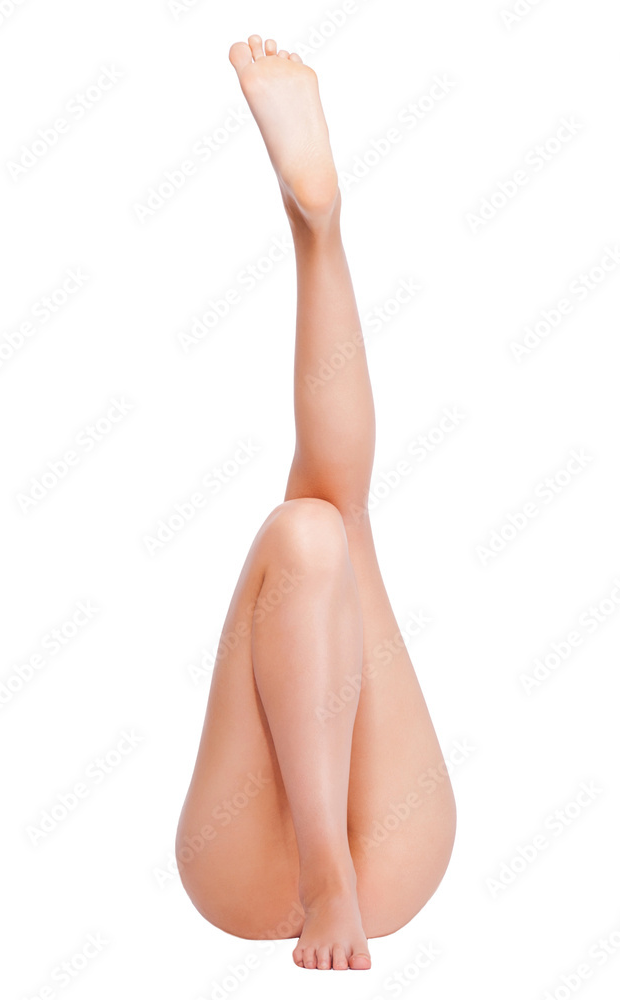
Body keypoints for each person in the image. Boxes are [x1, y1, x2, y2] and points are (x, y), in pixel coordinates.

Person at [176, 34, 456, 972]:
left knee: (313, 528)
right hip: (395, 858)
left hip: (247, 875)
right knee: (329, 520)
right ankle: (319, 230)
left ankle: (318, 224)